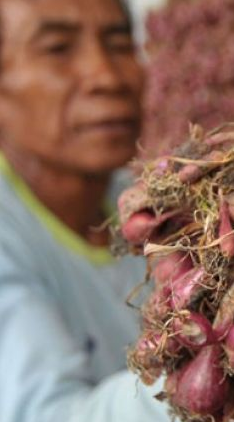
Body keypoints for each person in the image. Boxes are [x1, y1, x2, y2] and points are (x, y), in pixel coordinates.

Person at [0, 0, 171, 420]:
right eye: (58, 48)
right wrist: (219, 371)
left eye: (118, 44)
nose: (107, 76)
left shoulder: (148, 204)